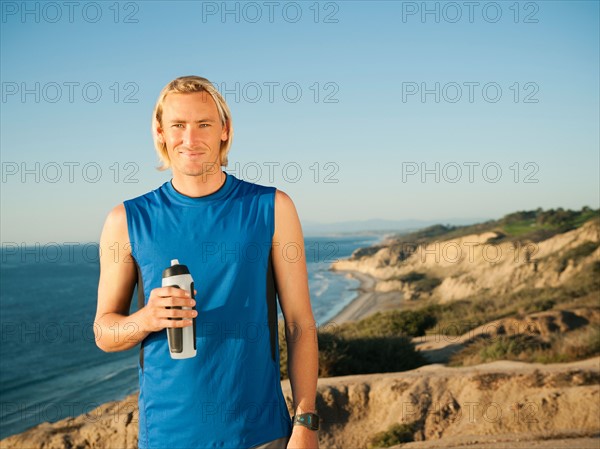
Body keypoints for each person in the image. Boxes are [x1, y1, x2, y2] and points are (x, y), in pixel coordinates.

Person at [94, 76, 320, 449]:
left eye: (204, 124)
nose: (191, 138)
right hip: (168, 437)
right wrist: (147, 319)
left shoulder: (273, 207)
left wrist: (306, 421)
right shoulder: (127, 220)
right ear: (160, 132)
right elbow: (104, 332)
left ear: (224, 130)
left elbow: (300, 323)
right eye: (178, 126)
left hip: (260, 433)